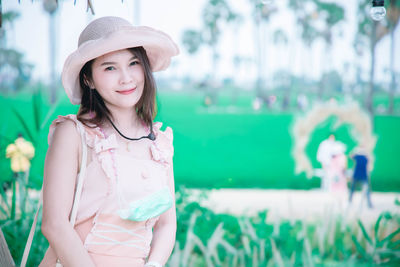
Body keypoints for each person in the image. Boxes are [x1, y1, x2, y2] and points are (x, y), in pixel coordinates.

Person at [39, 16, 179, 267]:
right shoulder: (74, 134)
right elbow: (54, 224)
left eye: (133, 63)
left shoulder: (159, 142)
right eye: (110, 68)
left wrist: (155, 264)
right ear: (88, 79)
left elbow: (167, 223)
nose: (126, 78)